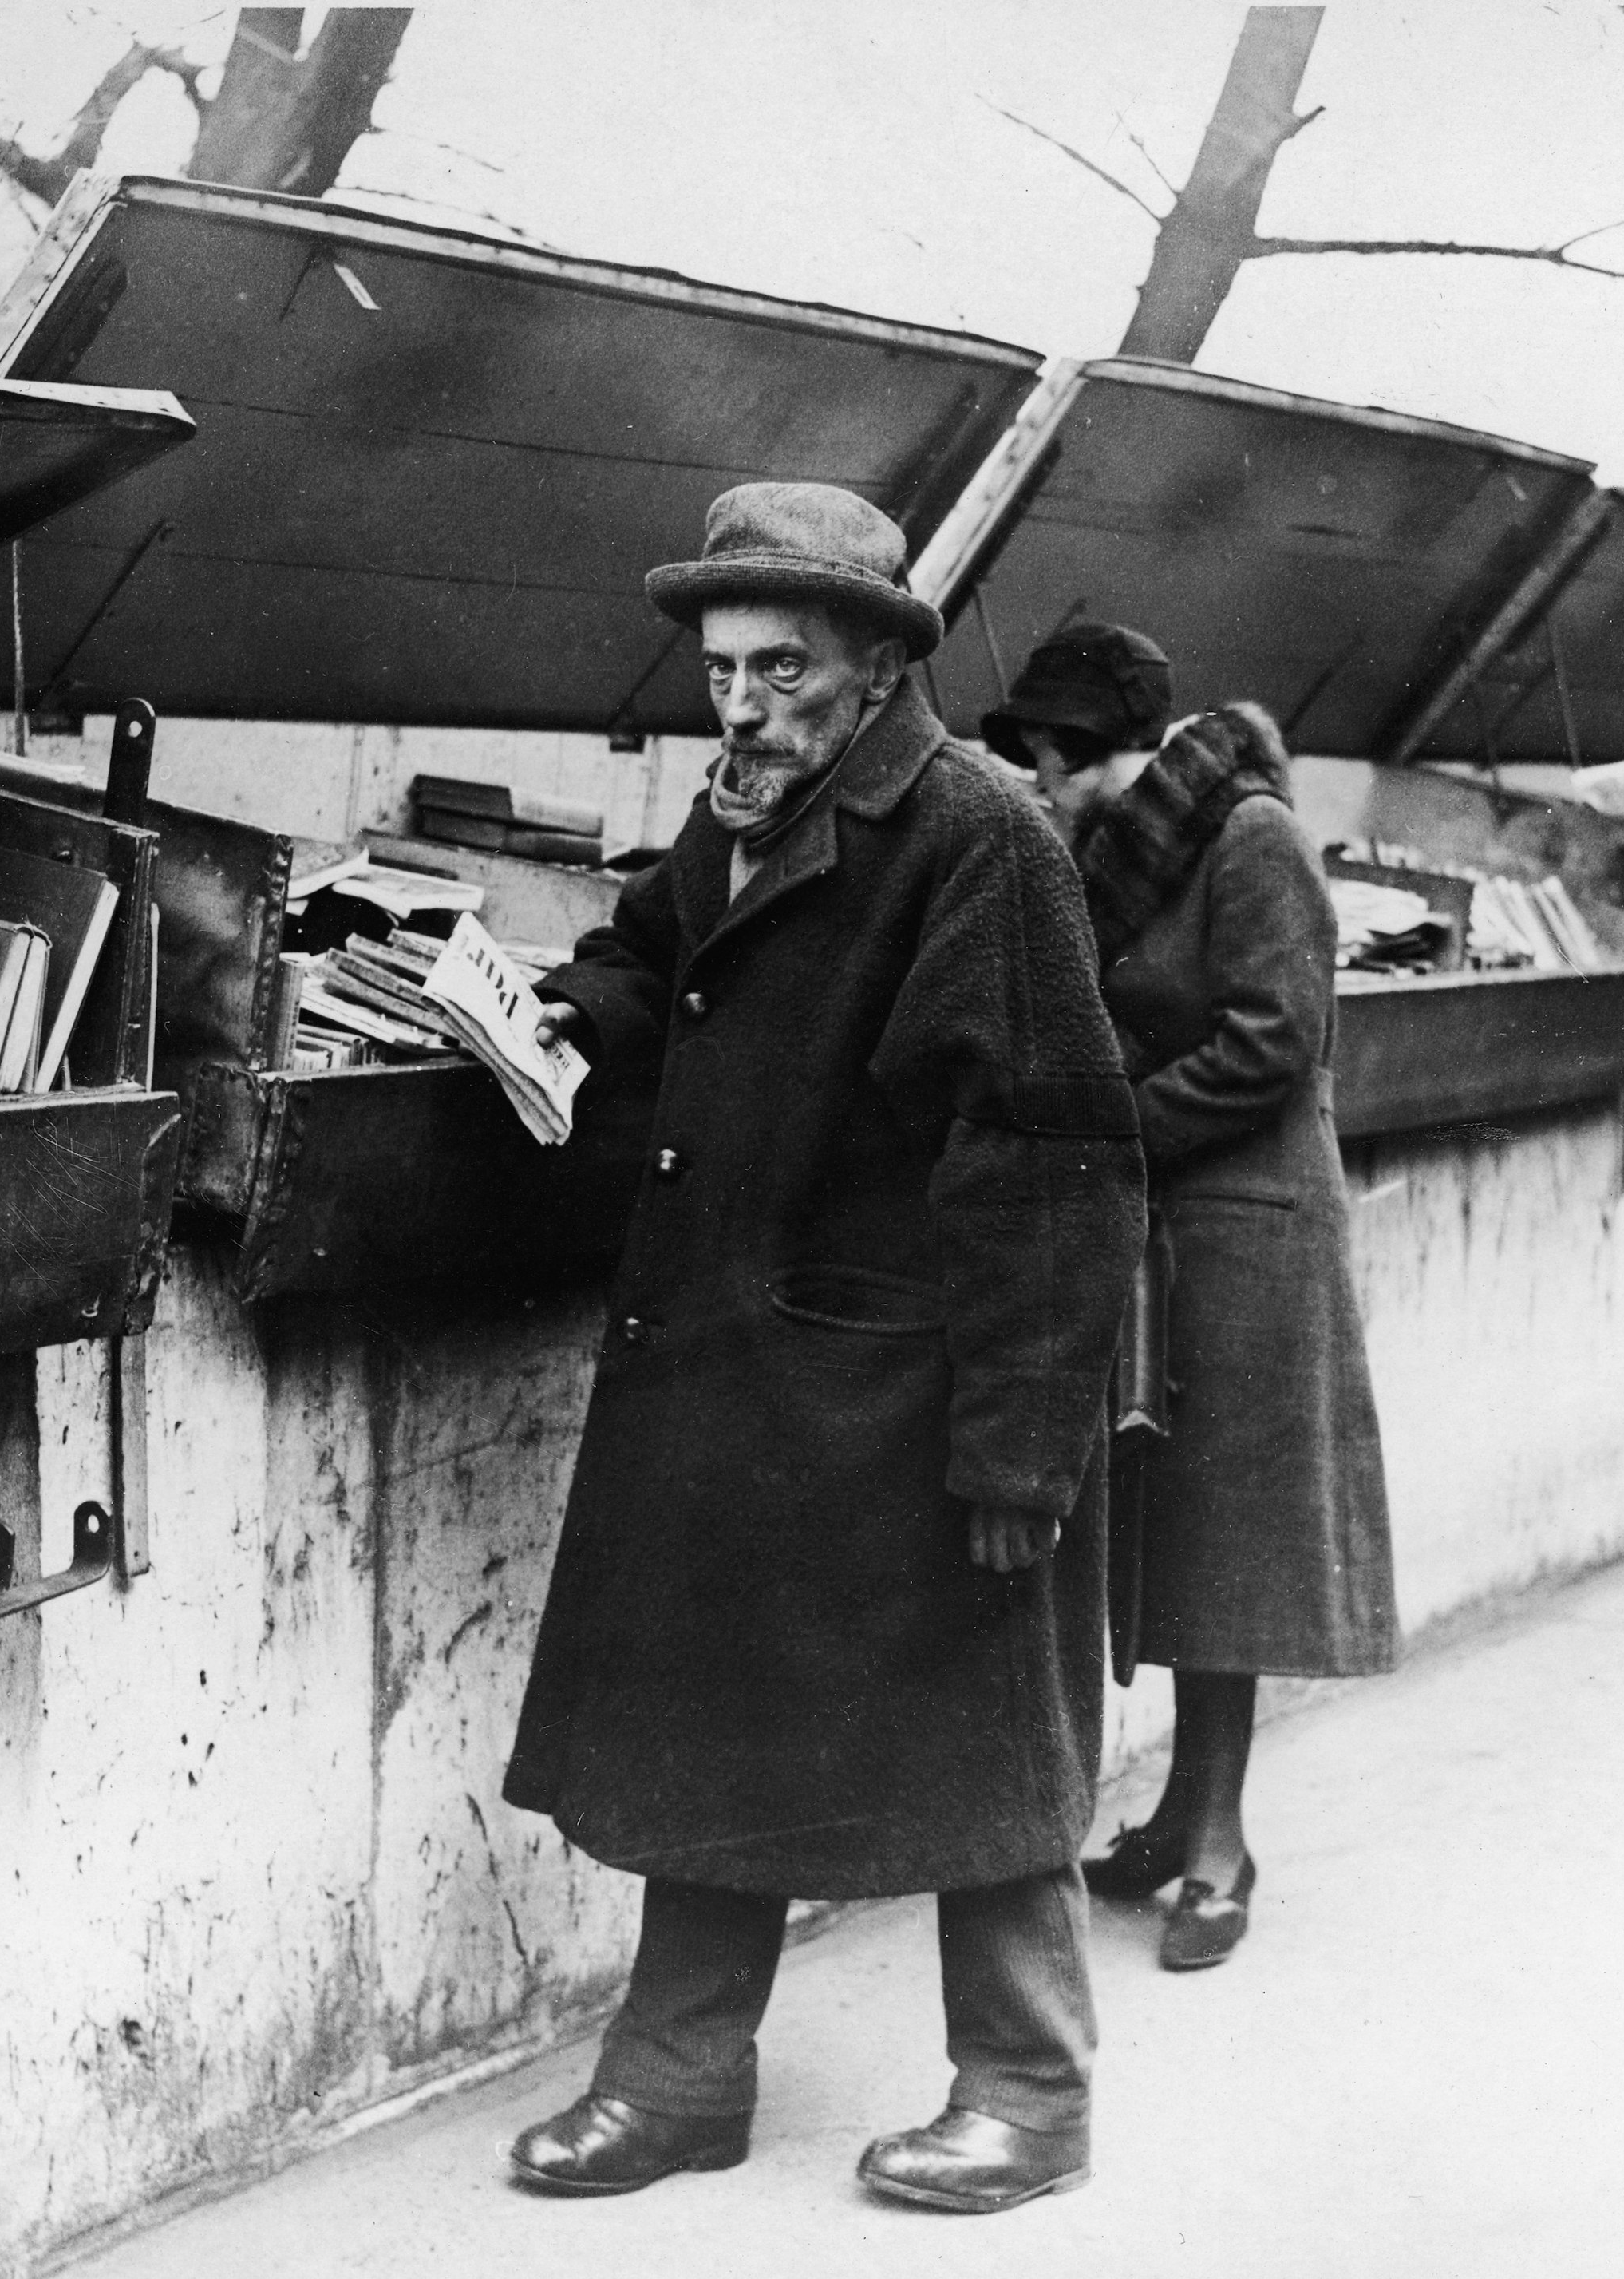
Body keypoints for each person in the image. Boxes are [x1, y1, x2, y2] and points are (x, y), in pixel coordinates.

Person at [497, 483, 1144, 2212]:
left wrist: (1023, 1444)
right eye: (720, 669)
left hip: (911, 1374)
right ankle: (682, 2075)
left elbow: (1053, 1160)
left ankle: (1031, 2089)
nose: (740, 703)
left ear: (874, 666)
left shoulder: (978, 828)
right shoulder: (742, 812)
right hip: (747, 1360)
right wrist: (554, 1007)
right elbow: (654, 958)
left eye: (780, 665)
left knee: (980, 1721)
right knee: (714, 1709)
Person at [979, 623, 1397, 1973]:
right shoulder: (1128, 847)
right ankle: (1172, 1815)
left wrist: (1112, 1127)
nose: (1040, 792)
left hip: (1247, 1237)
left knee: (1230, 1546)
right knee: (1165, 1532)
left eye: (1050, 769)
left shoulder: (1250, 839)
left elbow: (1276, 1040)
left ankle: (1220, 1844)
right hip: (1166, 1228)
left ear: (1108, 758)